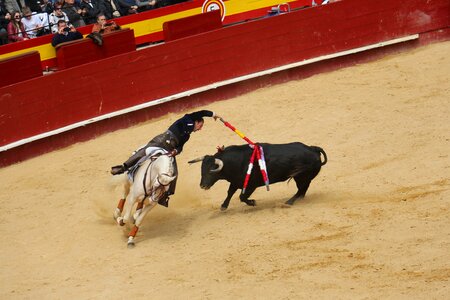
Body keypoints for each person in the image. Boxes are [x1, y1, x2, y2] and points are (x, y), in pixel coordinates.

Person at [111, 110, 221, 205]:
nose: (200, 129)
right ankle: (123, 167)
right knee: (145, 151)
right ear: (197, 121)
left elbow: (180, 147)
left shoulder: (187, 136)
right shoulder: (187, 119)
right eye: (200, 126)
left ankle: (164, 196)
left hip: (169, 150)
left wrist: (174, 152)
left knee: (174, 173)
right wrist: (213, 114)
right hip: (162, 141)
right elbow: (201, 113)